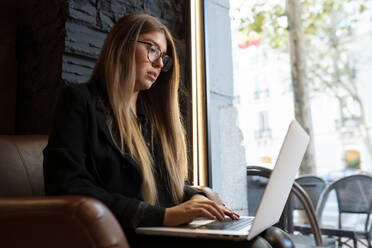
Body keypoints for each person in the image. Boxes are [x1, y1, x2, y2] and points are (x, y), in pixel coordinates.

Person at [43, 13, 275, 248]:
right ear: (122, 45)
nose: (159, 64)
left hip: (164, 232)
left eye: (163, 58)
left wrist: (194, 198)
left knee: (271, 237)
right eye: (152, 50)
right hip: (129, 234)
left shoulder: (149, 117)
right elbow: (68, 186)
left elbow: (163, 182)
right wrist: (166, 216)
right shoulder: (80, 101)